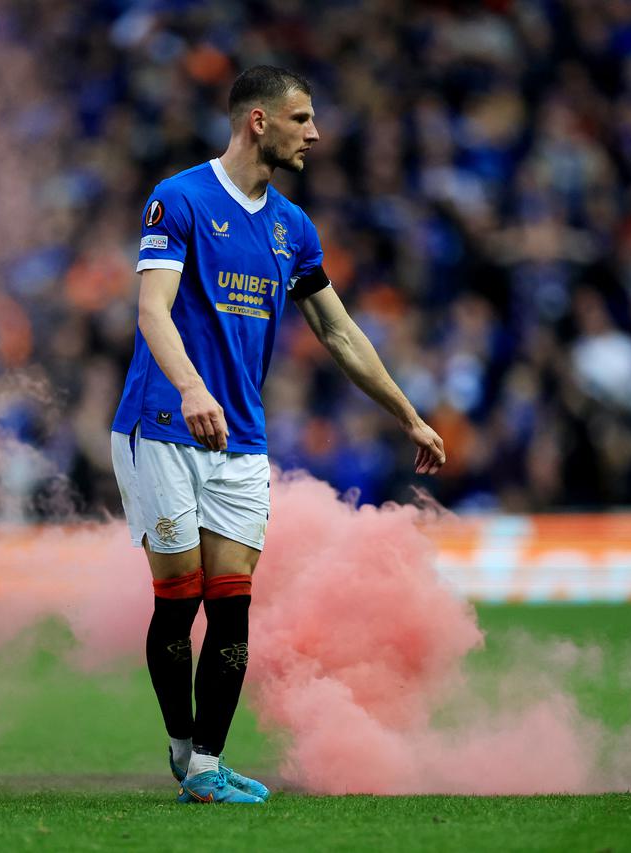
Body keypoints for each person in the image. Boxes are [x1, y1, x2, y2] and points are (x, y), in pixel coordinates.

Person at [110, 65, 446, 805]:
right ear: (258, 121)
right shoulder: (180, 199)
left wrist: (408, 414)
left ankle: (205, 766)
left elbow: (339, 331)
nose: (315, 134)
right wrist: (191, 387)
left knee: (231, 604)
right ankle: (182, 744)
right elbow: (153, 310)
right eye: (302, 118)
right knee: (179, 600)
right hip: (162, 423)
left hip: (240, 438)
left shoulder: (293, 227)